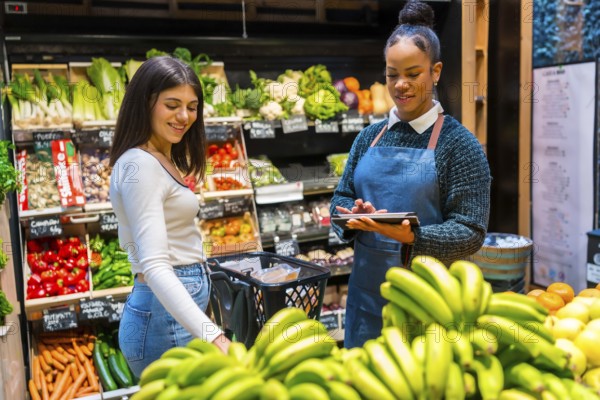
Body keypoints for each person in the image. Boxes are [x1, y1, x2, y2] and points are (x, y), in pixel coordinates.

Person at [330, 0, 491, 349]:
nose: (400, 84)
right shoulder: (368, 137)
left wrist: (412, 237)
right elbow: (340, 198)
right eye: (391, 74)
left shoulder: (459, 144)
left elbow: (471, 230)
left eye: (413, 74)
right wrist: (350, 216)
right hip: (366, 301)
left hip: (428, 307)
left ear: (435, 72)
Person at [109, 56, 230, 377]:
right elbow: (155, 266)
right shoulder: (141, 165)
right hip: (162, 320)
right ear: (145, 103)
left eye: (192, 107)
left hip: (170, 314)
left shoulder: (160, 157)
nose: (184, 116)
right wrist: (215, 337)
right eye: (172, 104)